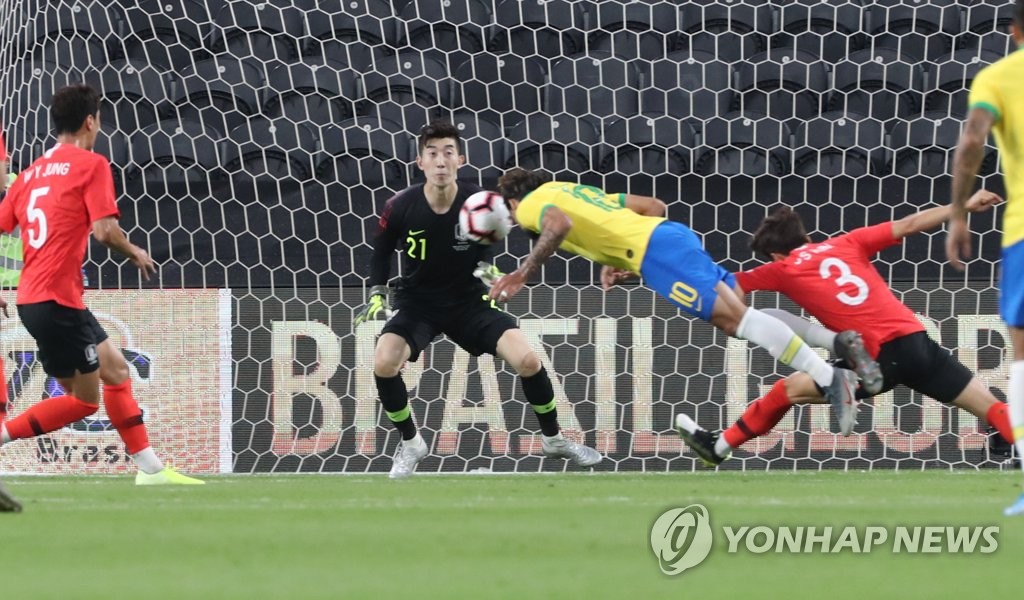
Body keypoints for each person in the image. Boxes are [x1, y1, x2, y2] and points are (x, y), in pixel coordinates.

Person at [490, 168, 864, 437]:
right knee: (738, 311)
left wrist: (523, 272)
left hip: (656, 253)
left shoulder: (530, 206)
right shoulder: (571, 189)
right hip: (669, 236)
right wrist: (615, 258)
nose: (517, 221)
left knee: (735, 320)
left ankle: (830, 378)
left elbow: (558, 225)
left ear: (513, 201)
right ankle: (834, 343)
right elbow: (654, 205)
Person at [674, 193, 1014, 469]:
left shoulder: (783, 269)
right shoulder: (849, 242)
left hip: (877, 355)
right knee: (994, 410)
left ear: (776, 255)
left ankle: (719, 447)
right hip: (916, 341)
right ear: (807, 238)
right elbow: (910, 224)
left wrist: (671, 273)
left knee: (785, 391)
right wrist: (964, 206)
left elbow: (727, 291)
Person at [355, 121, 601, 479]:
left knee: (528, 360)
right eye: (432, 153)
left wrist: (488, 273)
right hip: (418, 303)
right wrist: (377, 291)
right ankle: (411, 443)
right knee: (384, 362)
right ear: (420, 162)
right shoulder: (399, 206)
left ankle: (554, 439)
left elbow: (486, 249)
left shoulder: (481, 202)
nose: (441, 161)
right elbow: (380, 253)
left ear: (461, 160)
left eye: (448, 153)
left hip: (469, 301)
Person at [0, 83, 202, 489]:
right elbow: (105, 231)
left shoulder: (29, 175)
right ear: (91, 122)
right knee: (83, 402)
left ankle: (150, 470)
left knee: (116, 369)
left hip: (37, 300)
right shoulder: (91, 165)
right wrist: (135, 251)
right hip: (58, 302)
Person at [946, 0, 1024, 516]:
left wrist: (958, 213)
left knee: (1023, 356)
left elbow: (973, 137)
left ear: (1015, 31)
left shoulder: (997, 78)